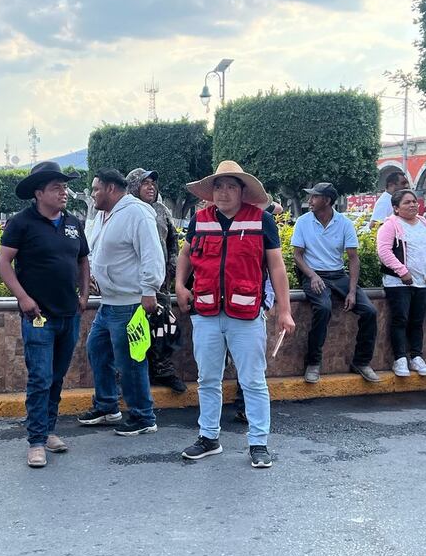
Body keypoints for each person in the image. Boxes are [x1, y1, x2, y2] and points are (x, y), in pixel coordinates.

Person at [176, 161, 295, 468]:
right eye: (219, 186)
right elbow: (185, 254)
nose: (224, 193)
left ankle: (258, 442)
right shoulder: (200, 220)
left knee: (253, 381)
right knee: (207, 379)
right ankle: (208, 437)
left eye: (231, 186)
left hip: (246, 314)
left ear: (243, 192)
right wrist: (179, 285)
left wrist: (285, 310)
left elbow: (277, 267)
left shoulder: (261, 220)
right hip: (206, 311)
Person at [0, 162, 90, 467]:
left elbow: (83, 259)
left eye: (65, 187)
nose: (63, 192)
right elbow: (3, 262)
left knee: (57, 377)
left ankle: (49, 430)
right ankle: (36, 441)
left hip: (69, 314)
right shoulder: (21, 223)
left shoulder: (73, 223)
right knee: (40, 377)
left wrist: (84, 293)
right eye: (56, 188)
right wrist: (23, 297)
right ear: (39, 193)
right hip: (38, 316)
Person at [77, 169, 164, 437]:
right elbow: (97, 251)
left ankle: (143, 417)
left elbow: (151, 253)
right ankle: (107, 407)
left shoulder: (136, 213)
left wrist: (149, 290)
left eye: (96, 189)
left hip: (129, 303)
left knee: (130, 362)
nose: (93, 194)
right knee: (97, 349)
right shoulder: (104, 215)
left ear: (111, 189)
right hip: (109, 303)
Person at [291, 182, 380, 383]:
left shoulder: (344, 223)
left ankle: (362, 362)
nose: (309, 200)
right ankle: (313, 362)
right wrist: (312, 276)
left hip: (338, 275)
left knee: (370, 311)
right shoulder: (303, 222)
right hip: (314, 275)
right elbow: (297, 255)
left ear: (327, 200)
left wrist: (352, 291)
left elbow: (353, 258)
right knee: (323, 308)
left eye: (314, 197)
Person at [126, 167, 186, 393]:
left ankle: (163, 370)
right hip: (133, 283)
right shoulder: (126, 211)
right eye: (145, 183)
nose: (150, 187)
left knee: (163, 326)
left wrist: (172, 265)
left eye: (153, 183)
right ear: (134, 187)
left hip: (160, 281)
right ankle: (131, 374)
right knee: (135, 330)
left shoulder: (161, 210)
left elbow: (173, 240)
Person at [376, 189, 426, 378]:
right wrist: (402, 272)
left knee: (417, 321)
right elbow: (384, 252)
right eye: (407, 202)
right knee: (400, 320)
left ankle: (416, 357)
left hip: (422, 282)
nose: (413, 205)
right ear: (396, 208)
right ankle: (400, 358)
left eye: (414, 201)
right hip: (398, 283)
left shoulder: (425, 223)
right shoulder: (390, 225)